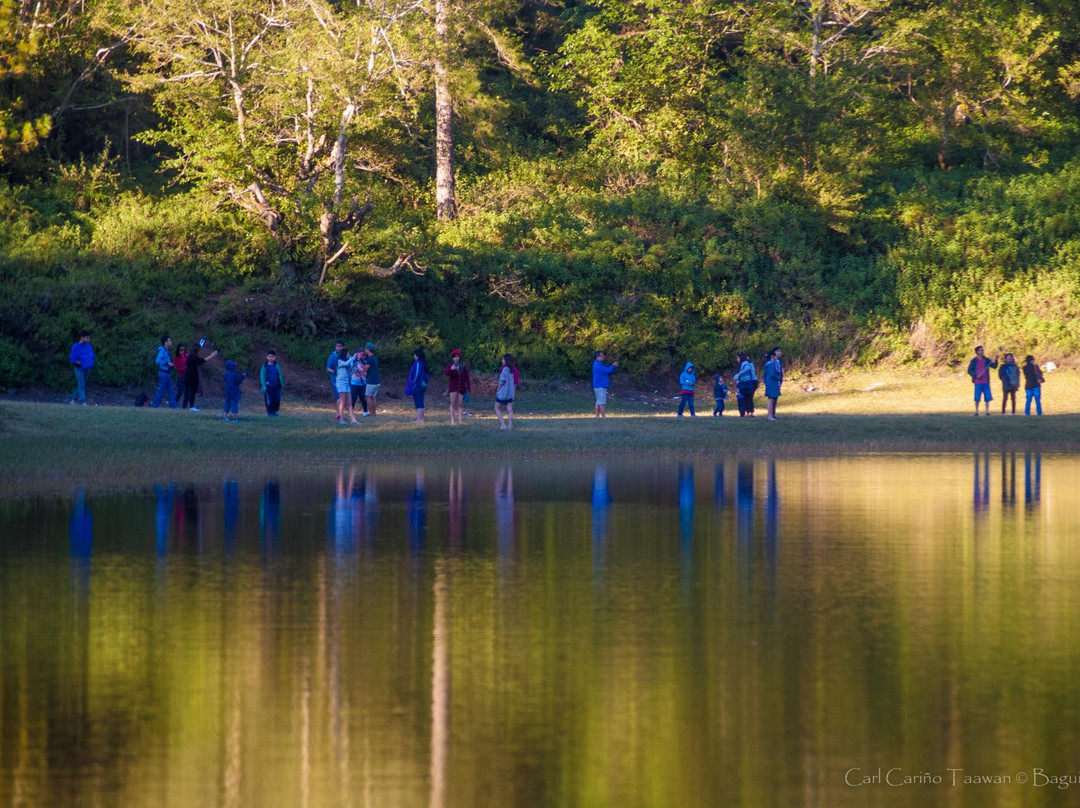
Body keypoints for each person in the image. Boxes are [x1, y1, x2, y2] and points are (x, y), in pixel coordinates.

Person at [181, 344, 218, 411]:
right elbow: (202, 360)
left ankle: (188, 406)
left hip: (189, 375)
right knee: (192, 391)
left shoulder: (191, 356)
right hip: (192, 376)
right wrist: (211, 356)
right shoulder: (193, 357)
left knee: (190, 391)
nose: (200, 351)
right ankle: (191, 406)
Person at [967, 345, 999, 416]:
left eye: (982, 350)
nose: (982, 351)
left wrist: (996, 360)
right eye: (980, 350)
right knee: (977, 397)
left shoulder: (986, 360)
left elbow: (994, 366)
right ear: (977, 352)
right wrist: (975, 375)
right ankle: (976, 411)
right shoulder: (974, 361)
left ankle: (987, 411)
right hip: (977, 382)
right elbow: (969, 370)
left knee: (987, 397)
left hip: (986, 381)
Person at [333, 347, 360, 424]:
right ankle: (341, 419)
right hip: (341, 383)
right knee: (342, 402)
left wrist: (354, 359)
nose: (349, 354)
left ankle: (353, 420)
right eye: (348, 353)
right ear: (344, 354)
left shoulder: (347, 361)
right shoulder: (340, 361)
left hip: (347, 383)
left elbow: (350, 366)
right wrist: (353, 357)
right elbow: (346, 363)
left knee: (350, 402)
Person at [445, 348, 471, 425]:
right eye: (454, 357)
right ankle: (452, 421)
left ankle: (460, 420)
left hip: (462, 387)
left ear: (459, 357)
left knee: (460, 404)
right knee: (452, 404)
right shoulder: (450, 365)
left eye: (456, 357)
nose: (455, 358)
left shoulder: (463, 366)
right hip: (453, 388)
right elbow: (446, 373)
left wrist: (468, 388)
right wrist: (451, 370)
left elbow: (467, 377)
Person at [69, 330, 95, 405]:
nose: (88, 339)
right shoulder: (75, 346)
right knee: (81, 385)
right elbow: (72, 359)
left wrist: (88, 362)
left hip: (87, 368)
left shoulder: (88, 346)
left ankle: (73, 400)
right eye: (87, 338)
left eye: (89, 338)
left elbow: (90, 355)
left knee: (82, 384)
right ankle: (83, 401)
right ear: (82, 337)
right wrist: (80, 362)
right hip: (79, 368)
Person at [151, 335, 178, 409]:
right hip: (163, 373)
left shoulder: (167, 351)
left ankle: (174, 407)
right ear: (165, 342)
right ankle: (154, 406)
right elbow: (157, 361)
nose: (171, 342)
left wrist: (173, 366)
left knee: (171, 391)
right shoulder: (162, 350)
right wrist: (167, 363)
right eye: (169, 340)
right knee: (161, 391)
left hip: (167, 373)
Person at [592, 350, 618, 418]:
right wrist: (613, 365)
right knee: (602, 402)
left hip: (597, 385)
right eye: (601, 356)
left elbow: (606, 368)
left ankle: (597, 416)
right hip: (601, 385)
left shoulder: (596, 363)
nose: (603, 356)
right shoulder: (598, 365)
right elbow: (607, 370)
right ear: (597, 357)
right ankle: (603, 417)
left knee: (598, 401)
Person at [405, 348, 429, 422]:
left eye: (415, 355)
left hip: (418, 385)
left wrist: (413, 382)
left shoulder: (418, 363)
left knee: (418, 401)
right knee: (420, 400)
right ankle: (420, 418)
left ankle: (420, 418)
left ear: (418, 355)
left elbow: (417, 375)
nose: (414, 356)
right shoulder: (421, 363)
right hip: (421, 384)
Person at [260, 350, 285, 417]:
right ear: (267, 357)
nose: (271, 358)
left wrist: (281, 384)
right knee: (269, 400)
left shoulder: (277, 365)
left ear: (275, 358)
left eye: (272, 357)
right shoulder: (264, 366)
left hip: (276, 386)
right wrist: (264, 385)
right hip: (268, 386)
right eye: (269, 356)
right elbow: (262, 376)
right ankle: (270, 412)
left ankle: (274, 411)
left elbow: (280, 375)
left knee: (276, 399)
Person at [495, 353, 516, 430]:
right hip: (510, 394)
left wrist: (497, 390)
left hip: (503, 394)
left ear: (506, 361)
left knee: (497, 408)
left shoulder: (504, 370)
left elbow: (502, 382)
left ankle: (503, 425)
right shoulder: (512, 370)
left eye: (503, 359)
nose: (502, 360)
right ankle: (510, 426)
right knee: (510, 410)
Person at [733, 351, 757, 417]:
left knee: (747, 398)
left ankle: (749, 413)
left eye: (737, 358)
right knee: (749, 398)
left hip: (748, 383)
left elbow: (747, 368)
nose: (737, 359)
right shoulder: (749, 362)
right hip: (752, 382)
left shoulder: (745, 363)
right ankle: (750, 412)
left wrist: (739, 375)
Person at [763, 347, 784, 421]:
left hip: (772, 383)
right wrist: (778, 378)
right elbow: (772, 374)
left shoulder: (771, 364)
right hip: (772, 383)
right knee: (771, 399)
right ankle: (770, 416)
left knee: (773, 399)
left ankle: (772, 415)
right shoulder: (771, 364)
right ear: (772, 356)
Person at [326, 340, 345, 420]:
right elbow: (328, 368)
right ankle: (338, 414)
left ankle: (340, 414)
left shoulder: (345, 355)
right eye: (337, 346)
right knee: (339, 397)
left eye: (340, 346)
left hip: (343, 379)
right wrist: (333, 371)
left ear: (343, 347)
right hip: (335, 379)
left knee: (343, 397)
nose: (338, 348)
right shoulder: (332, 356)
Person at [362, 342, 381, 417]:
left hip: (371, 381)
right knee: (373, 397)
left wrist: (360, 361)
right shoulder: (375, 357)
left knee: (368, 396)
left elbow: (365, 369)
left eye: (365, 348)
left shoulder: (370, 358)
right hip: (377, 380)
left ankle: (371, 413)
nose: (365, 350)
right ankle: (374, 413)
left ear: (368, 349)